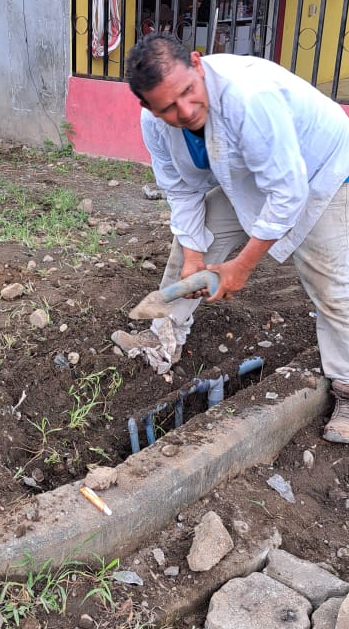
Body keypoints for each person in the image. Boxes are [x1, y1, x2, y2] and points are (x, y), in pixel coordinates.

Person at [112, 33, 349, 444]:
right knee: (190, 243)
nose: (185, 111)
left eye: (188, 92)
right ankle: (164, 336)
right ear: (148, 107)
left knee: (332, 289)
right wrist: (194, 258)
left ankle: (347, 390)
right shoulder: (156, 125)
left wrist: (241, 266)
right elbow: (182, 191)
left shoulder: (249, 98)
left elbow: (288, 192)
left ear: (198, 64)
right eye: (168, 107)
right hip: (249, 176)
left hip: (319, 172)